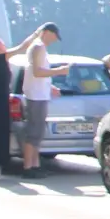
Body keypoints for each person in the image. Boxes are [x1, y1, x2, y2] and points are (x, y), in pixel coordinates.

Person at [0, 26, 45, 181]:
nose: (4, 45)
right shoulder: (2, 58)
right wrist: (36, 33)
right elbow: (22, 47)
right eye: (1, 44)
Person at [20, 22, 70, 180]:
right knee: (33, 132)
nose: (55, 39)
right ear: (47, 32)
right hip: (35, 96)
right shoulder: (38, 47)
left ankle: (35, 165)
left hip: (40, 93)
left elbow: (38, 73)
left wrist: (50, 86)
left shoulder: (39, 47)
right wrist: (59, 71)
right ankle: (28, 167)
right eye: (54, 36)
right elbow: (37, 72)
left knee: (38, 132)